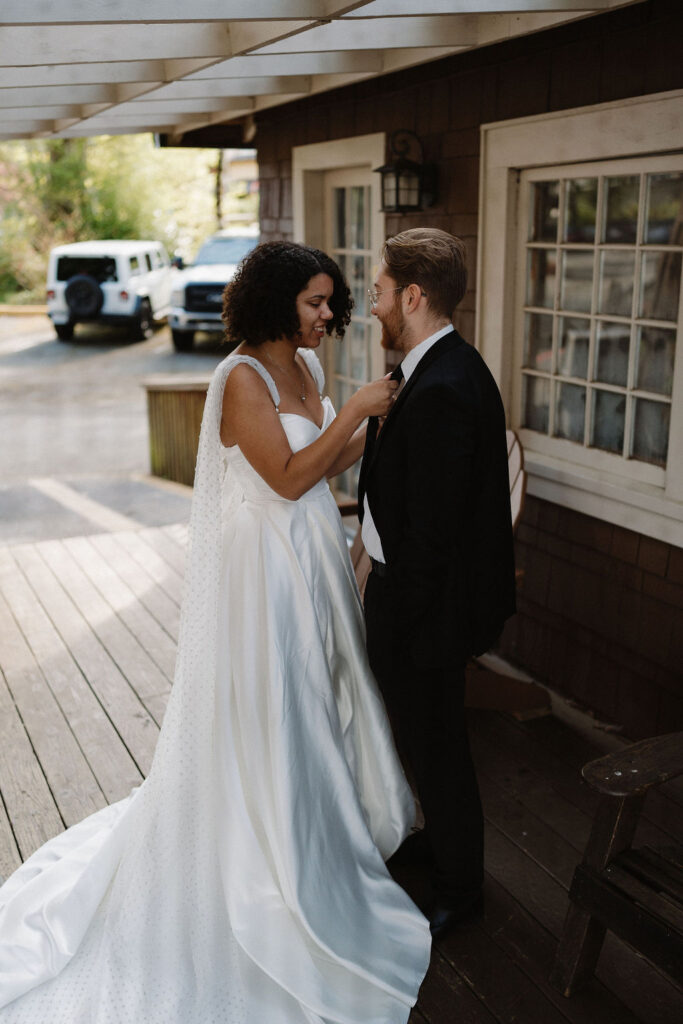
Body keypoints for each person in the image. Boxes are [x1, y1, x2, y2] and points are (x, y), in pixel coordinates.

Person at [0, 242, 431, 1023]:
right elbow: (290, 475)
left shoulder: (309, 368)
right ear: (273, 302)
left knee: (313, 704)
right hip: (261, 569)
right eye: (314, 302)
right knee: (270, 708)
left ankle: (314, 845)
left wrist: (383, 426)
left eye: (332, 300)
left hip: (311, 558)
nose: (328, 314)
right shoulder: (240, 379)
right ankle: (259, 859)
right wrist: (363, 412)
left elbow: (329, 464)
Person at [358, 228, 516, 941]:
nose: (372, 306)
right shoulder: (435, 368)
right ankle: (439, 844)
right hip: (418, 598)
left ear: (413, 296)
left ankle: (460, 887)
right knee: (424, 740)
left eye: (380, 292)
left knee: (440, 745)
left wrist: (392, 609)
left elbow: (433, 532)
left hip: (429, 609)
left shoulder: (446, 385)